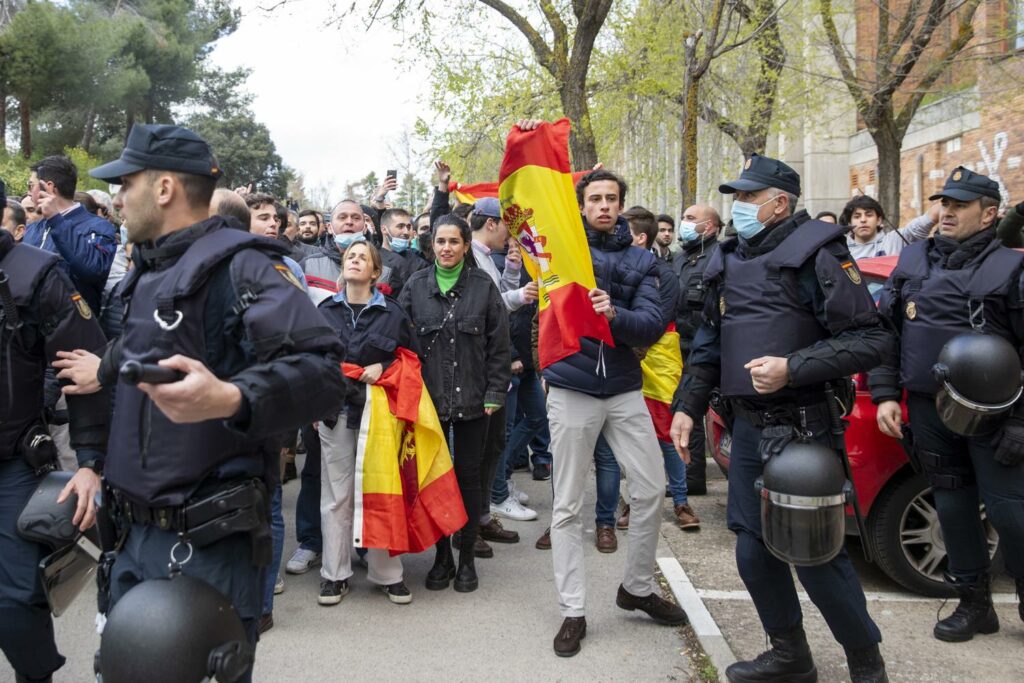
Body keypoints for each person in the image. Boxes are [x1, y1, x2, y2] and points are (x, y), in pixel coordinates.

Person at [61, 124, 345, 681]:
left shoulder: (245, 266)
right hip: (130, 541)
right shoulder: (145, 273)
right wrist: (92, 463)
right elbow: (138, 363)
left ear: (164, 188)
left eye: (126, 183)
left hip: (206, 548)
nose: (115, 197)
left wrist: (234, 396)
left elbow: (325, 373)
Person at [669, 153, 893, 682]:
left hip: (802, 428)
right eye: (737, 198)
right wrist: (686, 406)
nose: (738, 207)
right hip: (747, 427)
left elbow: (873, 339)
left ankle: (866, 662)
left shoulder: (819, 254)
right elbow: (709, 344)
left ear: (779, 203)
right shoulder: (728, 259)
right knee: (753, 553)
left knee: (815, 558)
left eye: (748, 197)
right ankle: (791, 655)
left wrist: (793, 368)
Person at [536, 159, 686, 658]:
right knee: (567, 505)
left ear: (621, 207)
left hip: (623, 387)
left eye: (611, 200)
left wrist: (613, 313)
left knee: (651, 487)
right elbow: (523, 212)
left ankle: (637, 588)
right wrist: (527, 138)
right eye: (595, 199)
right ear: (581, 205)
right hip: (571, 387)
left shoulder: (644, 262)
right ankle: (573, 610)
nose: (603, 206)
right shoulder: (560, 248)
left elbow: (649, 324)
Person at [871, 166, 1024, 642]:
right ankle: (974, 604)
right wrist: (883, 394)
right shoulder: (913, 260)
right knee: (953, 508)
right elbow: (887, 333)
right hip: (927, 407)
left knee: (1009, 512)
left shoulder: (1012, 269)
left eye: (960, 205)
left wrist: (1020, 422)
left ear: (990, 213)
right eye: (945, 203)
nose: (948, 211)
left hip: (998, 415)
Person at [0, 178, 110, 683]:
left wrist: (89, 463)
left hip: (13, 463)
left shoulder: (34, 274)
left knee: (17, 596)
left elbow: (81, 371)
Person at [398, 213, 510, 593]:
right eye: (441, 242)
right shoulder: (414, 287)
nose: (447, 248)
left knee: (468, 478)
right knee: (434, 481)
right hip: (428, 403)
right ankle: (441, 557)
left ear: (465, 246)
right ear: (432, 246)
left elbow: (499, 346)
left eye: (454, 242)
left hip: (475, 400)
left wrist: (496, 392)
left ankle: (466, 559)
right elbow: (400, 345)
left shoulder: (483, 286)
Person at [316, 240, 418, 606]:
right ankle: (335, 575)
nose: (354, 260)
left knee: (382, 492)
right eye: (350, 257)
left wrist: (385, 368)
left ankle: (388, 575)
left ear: (376, 272)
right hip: (335, 413)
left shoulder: (393, 313)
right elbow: (311, 364)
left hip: (380, 417)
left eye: (363, 257)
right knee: (337, 498)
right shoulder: (324, 310)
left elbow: (410, 360)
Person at [605, 206, 699, 541]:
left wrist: (635, 345)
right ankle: (632, 502)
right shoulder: (614, 265)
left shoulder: (664, 273)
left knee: (666, 433)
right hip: (624, 357)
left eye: (623, 230)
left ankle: (681, 501)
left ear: (640, 237)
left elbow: (658, 319)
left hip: (659, 359)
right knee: (629, 437)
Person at [470, 197, 539, 539]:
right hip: (487, 365)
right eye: (508, 228)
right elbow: (494, 309)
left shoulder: (487, 258)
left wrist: (513, 273)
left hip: (502, 359)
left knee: (501, 436)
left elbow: (500, 297)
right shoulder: (474, 257)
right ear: (492, 223)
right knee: (490, 441)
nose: (511, 238)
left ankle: (490, 501)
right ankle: (488, 505)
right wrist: (521, 294)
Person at [23, 155, 117, 314]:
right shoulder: (34, 227)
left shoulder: (99, 227)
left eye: (31, 185)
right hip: (29, 330)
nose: (28, 191)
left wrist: (56, 220)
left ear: (49, 187)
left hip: (72, 330)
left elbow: (93, 269)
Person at [672, 203, 722, 496]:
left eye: (691, 219)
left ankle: (692, 478)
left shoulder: (719, 257)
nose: (685, 223)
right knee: (686, 410)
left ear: (710, 226)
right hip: (680, 348)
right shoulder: (680, 259)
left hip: (708, 350)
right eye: (684, 217)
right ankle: (691, 479)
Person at [840, 194, 936, 260]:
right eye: (857, 216)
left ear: (879, 220)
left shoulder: (895, 240)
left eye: (869, 215)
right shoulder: (841, 249)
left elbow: (919, 226)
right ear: (849, 223)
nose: (863, 220)